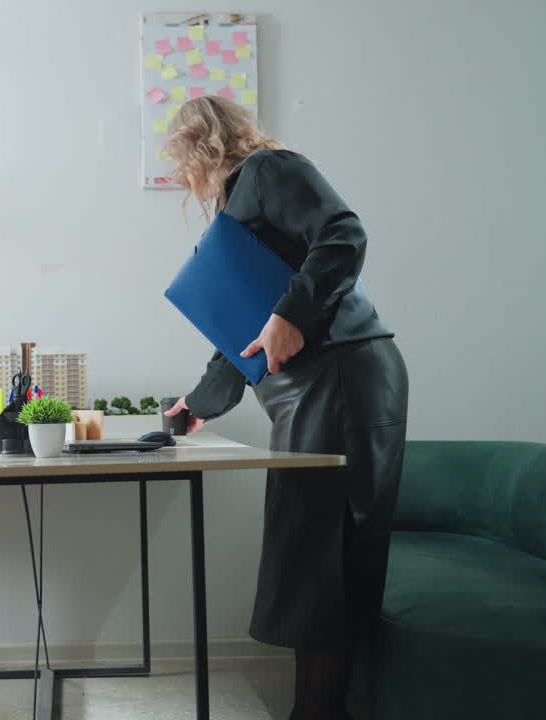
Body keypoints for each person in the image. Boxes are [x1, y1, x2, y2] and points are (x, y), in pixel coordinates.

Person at [161, 96, 409, 720]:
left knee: (326, 548)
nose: (178, 174)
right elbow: (248, 331)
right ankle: (319, 710)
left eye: (179, 157)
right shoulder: (233, 207)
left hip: (344, 375)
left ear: (201, 147)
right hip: (314, 384)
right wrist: (201, 402)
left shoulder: (270, 170)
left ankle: (320, 712)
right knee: (307, 549)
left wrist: (289, 315)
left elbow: (343, 235)